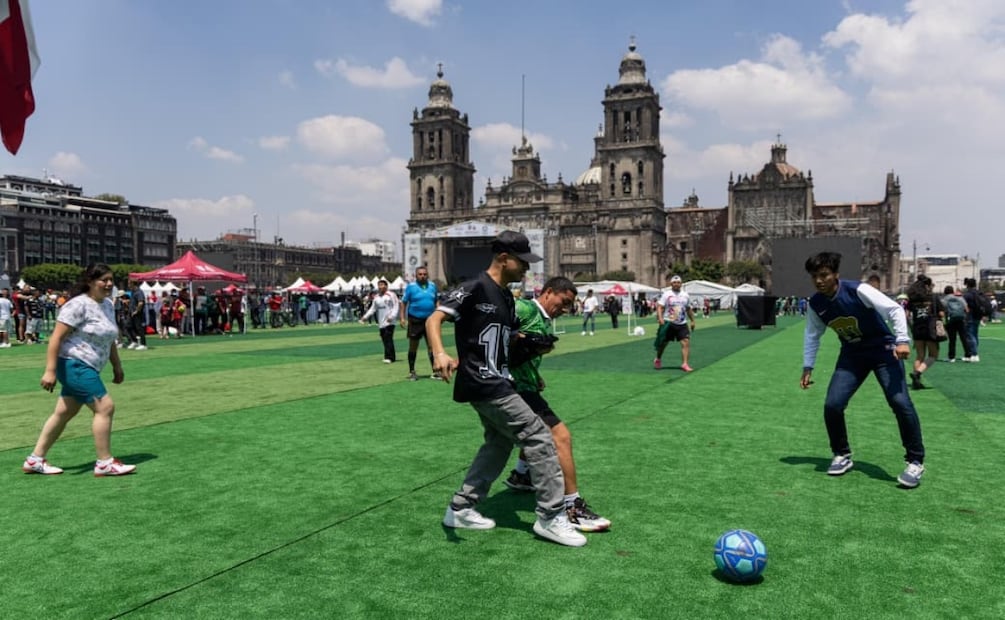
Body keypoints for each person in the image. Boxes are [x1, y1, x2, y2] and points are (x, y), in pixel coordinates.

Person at [425, 230, 586, 547]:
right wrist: (440, 353)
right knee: (539, 437)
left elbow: (508, 341)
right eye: (522, 262)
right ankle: (551, 517)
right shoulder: (474, 288)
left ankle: (461, 507)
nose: (526, 268)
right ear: (503, 258)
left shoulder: (507, 299)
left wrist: (530, 353)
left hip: (500, 379)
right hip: (483, 381)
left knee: (498, 444)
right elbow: (435, 319)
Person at [800, 251, 925, 488]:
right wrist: (808, 366)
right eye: (814, 276)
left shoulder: (858, 290)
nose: (819, 281)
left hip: (883, 350)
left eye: (824, 275)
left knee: (900, 402)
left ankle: (915, 462)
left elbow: (894, 309)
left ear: (836, 274)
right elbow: (812, 335)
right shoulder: (816, 304)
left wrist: (902, 339)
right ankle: (842, 454)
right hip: (852, 354)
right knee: (832, 405)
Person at [503, 276, 612, 532]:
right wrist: (512, 337)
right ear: (549, 292)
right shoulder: (525, 308)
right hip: (512, 388)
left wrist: (534, 373)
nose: (565, 309)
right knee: (561, 436)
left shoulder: (542, 319)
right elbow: (492, 327)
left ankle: (522, 474)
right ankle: (572, 506)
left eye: (569, 306)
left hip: (525, 384)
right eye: (564, 302)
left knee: (535, 432)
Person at [22, 263, 137, 477]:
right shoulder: (77, 305)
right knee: (105, 407)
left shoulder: (108, 305)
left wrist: (117, 366)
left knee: (64, 412)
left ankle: (34, 459)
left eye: (111, 280)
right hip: (74, 363)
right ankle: (105, 463)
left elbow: (109, 339)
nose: (109, 284)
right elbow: (56, 337)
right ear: (90, 282)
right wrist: (50, 370)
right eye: (104, 280)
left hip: (90, 367)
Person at [399, 266, 439, 381]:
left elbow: (436, 301)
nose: (422, 276)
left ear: (428, 275)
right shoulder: (411, 287)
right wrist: (402, 318)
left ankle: (435, 371)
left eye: (424, 274)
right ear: (416, 276)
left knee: (431, 346)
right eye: (420, 274)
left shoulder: (432, 286)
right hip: (415, 320)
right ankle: (412, 371)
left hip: (430, 320)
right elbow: (404, 303)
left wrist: (439, 313)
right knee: (413, 346)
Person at [905, 275, 943, 390]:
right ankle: (917, 373)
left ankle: (916, 382)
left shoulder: (912, 299)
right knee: (933, 355)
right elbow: (941, 314)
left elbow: (907, 315)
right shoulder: (933, 298)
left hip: (917, 328)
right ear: (927, 286)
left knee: (919, 356)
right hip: (930, 328)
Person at [654, 274, 696, 371]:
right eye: (674, 282)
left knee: (685, 342)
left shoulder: (685, 295)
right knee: (663, 343)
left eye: (678, 283)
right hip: (669, 322)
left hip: (682, 323)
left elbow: (688, 309)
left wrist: (693, 320)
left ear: (681, 284)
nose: (676, 284)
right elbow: (660, 306)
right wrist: (660, 318)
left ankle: (685, 364)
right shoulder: (667, 294)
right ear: (671, 284)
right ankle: (658, 358)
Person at [360, 278, 399, 363]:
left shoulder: (391, 295)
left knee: (388, 338)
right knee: (384, 339)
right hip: (381, 322)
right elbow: (372, 309)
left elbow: (396, 306)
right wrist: (365, 317)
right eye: (379, 285)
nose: (380, 287)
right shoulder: (376, 297)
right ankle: (388, 356)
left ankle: (390, 357)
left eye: (382, 285)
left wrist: (392, 316)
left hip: (390, 321)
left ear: (386, 286)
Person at [941, 285, 972, 363]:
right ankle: (968, 355)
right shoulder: (960, 298)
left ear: (945, 292)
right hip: (961, 319)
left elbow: (942, 310)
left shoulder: (944, 299)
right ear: (953, 291)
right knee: (964, 338)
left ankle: (952, 357)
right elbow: (967, 309)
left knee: (952, 339)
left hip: (951, 320)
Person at [962, 277, 988, 362]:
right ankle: (975, 352)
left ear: (967, 285)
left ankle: (974, 354)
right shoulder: (979, 293)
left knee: (970, 335)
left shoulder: (967, 294)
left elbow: (963, 305)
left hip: (970, 316)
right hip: (978, 316)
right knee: (975, 334)